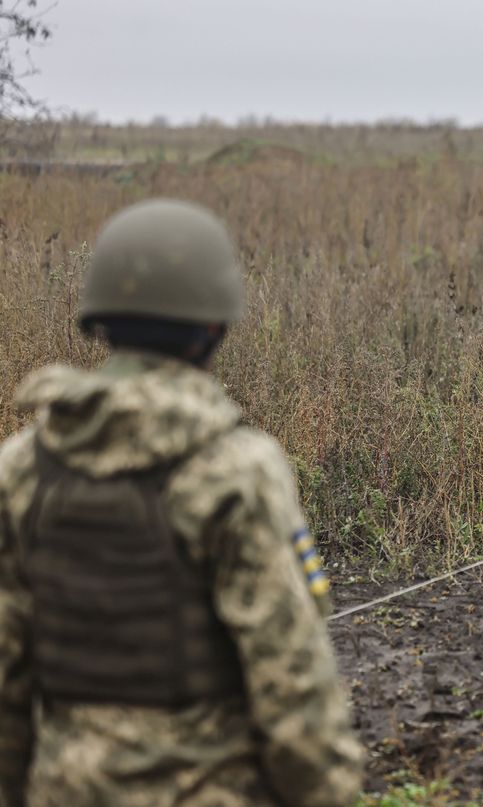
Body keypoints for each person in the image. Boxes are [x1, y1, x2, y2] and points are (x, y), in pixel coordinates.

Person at [0, 199, 364, 806]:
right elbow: (290, 678)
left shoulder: (21, 467)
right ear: (216, 327)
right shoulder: (236, 468)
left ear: (100, 322)